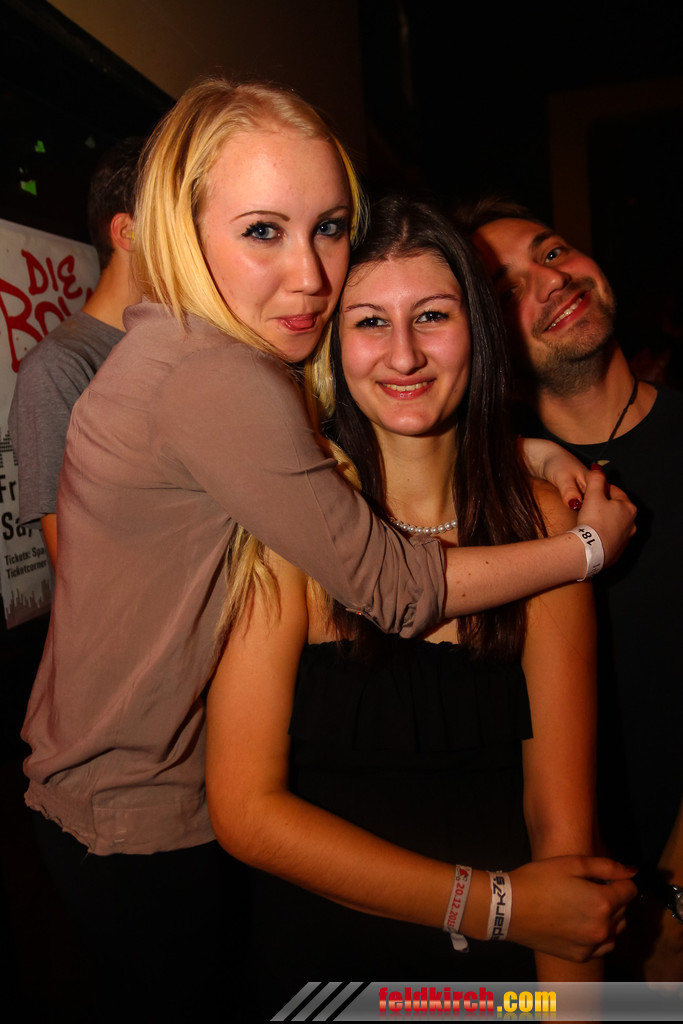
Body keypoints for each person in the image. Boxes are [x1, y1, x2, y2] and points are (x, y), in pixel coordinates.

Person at [20, 79, 633, 1020]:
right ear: (182, 230)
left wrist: (527, 453)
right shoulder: (224, 393)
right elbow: (390, 589)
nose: (308, 275)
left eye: (329, 228)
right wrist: (586, 547)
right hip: (151, 829)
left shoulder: (250, 392)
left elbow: (567, 849)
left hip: (452, 962)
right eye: (263, 231)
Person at [205, 197, 636, 1013]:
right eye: (370, 322)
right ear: (333, 345)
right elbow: (244, 811)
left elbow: (563, 835)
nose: (403, 354)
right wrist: (496, 905)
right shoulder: (290, 523)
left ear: (477, 328)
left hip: (494, 990)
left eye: (431, 316)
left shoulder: (544, 522)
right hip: (324, 984)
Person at [463, 198, 683, 980]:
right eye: (505, 289)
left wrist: (672, 908)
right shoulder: (482, 502)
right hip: (555, 928)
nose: (549, 279)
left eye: (551, 251)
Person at [8, 137, 144, 567]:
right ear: (127, 232)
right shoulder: (58, 366)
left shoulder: (177, 347)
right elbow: (77, 570)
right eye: (180, 220)